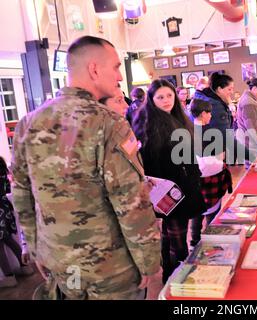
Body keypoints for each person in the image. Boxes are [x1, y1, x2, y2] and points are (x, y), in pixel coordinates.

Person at [11, 36, 160, 300]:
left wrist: (34, 248)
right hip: (110, 270)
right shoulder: (108, 124)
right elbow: (130, 202)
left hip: (61, 264)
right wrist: (149, 262)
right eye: (115, 67)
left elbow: (22, 194)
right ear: (94, 69)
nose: (118, 77)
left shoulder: (28, 123)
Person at [132, 80, 207, 284]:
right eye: (160, 97)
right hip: (165, 191)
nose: (166, 101)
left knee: (173, 236)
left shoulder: (179, 118)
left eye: (169, 96)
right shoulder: (147, 124)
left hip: (182, 186)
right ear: (151, 99)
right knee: (175, 240)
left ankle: (174, 277)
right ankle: (177, 280)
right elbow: (147, 163)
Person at [189, 99, 232, 248]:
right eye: (209, 113)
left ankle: (194, 242)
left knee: (196, 212)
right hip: (212, 177)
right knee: (212, 213)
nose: (211, 116)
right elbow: (222, 155)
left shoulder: (186, 130)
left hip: (195, 178)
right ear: (203, 113)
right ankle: (211, 239)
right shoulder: (212, 132)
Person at [192, 72, 254, 164]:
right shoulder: (216, 106)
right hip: (213, 155)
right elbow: (227, 138)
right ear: (219, 89)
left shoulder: (207, 99)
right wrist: (252, 156)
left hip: (208, 153)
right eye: (229, 89)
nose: (232, 92)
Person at [0, 157, 34, 288]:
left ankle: (9, 277)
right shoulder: (3, 168)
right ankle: (25, 267)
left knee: (1, 245)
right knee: (8, 239)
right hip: (5, 207)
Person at [236, 78, 257, 166]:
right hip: (250, 140)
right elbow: (251, 125)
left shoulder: (251, 99)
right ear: (254, 89)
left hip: (250, 139)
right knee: (252, 168)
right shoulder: (248, 102)